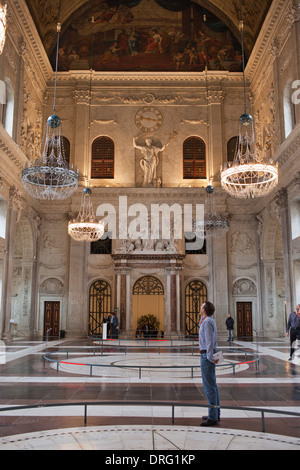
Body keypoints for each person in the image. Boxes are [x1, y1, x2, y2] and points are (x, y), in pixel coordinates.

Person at [199, 301, 220, 426]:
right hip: (207, 354)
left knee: (209, 387)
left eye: (202, 306)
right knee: (212, 385)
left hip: (206, 355)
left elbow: (209, 341)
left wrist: (209, 357)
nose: (200, 308)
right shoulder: (208, 320)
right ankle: (215, 413)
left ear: (204, 310)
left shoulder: (207, 322)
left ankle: (212, 416)